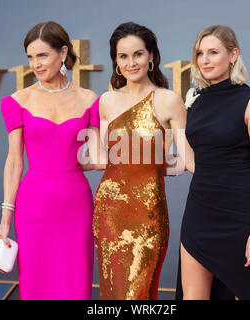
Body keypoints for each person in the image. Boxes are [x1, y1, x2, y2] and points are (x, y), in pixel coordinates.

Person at [0, 21, 100, 300]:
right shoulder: (17, 101)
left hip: (76, 206)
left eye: (42, 55)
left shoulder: (90, 100)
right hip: (34, 208)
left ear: (62, 53)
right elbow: (15, 162)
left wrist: (148, 159)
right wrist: (6, 220)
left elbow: (97, 158)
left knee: (75, 285)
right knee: (37, 286)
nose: (35, 64)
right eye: (30, 57)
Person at [93, 22, 188, 300]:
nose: (130, 62)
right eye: (123, 56)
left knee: (140, 294)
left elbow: (184, 155)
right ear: (116, 61)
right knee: (112, 294)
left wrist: (171, 162)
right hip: (109, 213)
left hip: (148, 214)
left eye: (138, 54)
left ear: (151, 57)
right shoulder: (106, 101)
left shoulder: (169, 100)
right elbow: (106, 157)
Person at [176, 25, 250, 300]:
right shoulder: (195, 102)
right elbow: (196, 160)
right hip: (199, 213)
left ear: (233, 55)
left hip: (239, 216)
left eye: (213, 52)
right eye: (200, 53)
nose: (204, 60)